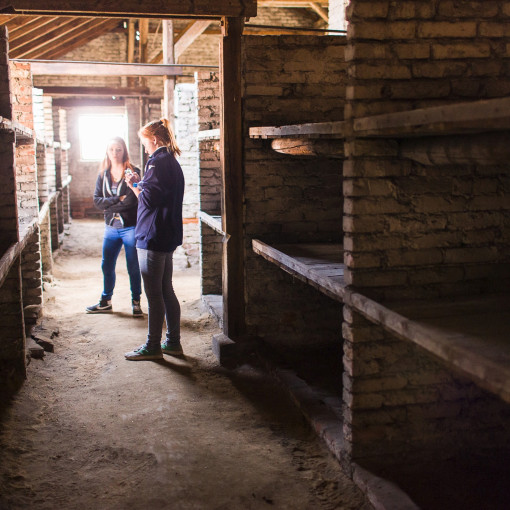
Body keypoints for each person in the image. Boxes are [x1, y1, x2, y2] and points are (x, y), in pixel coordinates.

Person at [123, 119, 185, 361]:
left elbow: (147, 201)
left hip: (153, 235)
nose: (144, 146)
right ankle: (173, 343)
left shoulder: (156, 163)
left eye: (144, 141)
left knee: (154, 293)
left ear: (155, 140)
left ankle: (152, 346)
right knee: (166, 289)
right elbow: (157, 196)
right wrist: (140, 183)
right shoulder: (171, 161)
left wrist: (133, 185)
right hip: (166, 234)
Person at [86, 137, 143, 317]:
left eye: (118, 149)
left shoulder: (134, 171)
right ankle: (106, 301)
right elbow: (97, 201)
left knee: (133, 265)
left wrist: (108, 204)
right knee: (107, 265)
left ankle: (136, 302)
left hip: (130, 227)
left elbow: (132, 202)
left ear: (124, 151)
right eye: (111, 149)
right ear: (107, 152)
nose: (115, 153)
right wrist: (117, 199)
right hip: (111, 227)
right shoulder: (103, 174)